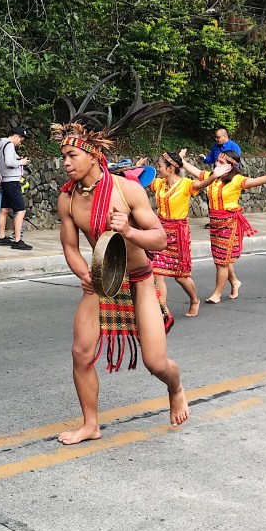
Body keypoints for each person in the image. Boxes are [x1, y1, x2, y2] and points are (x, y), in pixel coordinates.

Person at [53, 117, 189, 445]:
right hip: (102, 279)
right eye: (64, 156)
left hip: (140, 280)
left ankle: (176, 387)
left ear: (93, 156)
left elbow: (159, 240)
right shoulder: (67, 199)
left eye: (72, 155)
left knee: (156, 362)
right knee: (81, 353)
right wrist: (83, 272)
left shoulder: (126, 190)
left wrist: (128, 230)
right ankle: (90, 424)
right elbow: (70, 248)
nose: (66, 163)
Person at [182, 152, 266, 303]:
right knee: (220, 257)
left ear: (231, 165)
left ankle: (217, 294)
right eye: (217, 161)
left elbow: (255, 181)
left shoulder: (236, 180)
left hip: (229, 223)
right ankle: (235, 282)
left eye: (220, 162)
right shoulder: (212, 177)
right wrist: (181, 161)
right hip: (214, 223)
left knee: (222, 261)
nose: (216, 164)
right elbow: (195, 171)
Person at [148, 150, 230, 317]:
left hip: (178, 233)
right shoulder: (159, 183)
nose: (158, 169)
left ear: (171, 168)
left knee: (181, 276)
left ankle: (194, 300)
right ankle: (161, 312)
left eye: (161, 166)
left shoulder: (185, 184)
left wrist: (214, 176)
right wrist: (133, 169)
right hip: (160, 232)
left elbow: (200, 184)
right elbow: (139, 179)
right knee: (157, 272)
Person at [0, 127, 32, 250]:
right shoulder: (9, 145)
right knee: (21, 211)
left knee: (4, 209)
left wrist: (18, 160)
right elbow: (10, 162)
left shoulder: (0, 144)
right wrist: (22, 162)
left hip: (5, 180)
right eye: (21, 138)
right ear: (15, 136)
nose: (21, 141)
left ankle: (1, 237)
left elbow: (5, 161)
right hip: (12, 182)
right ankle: (17, 240)